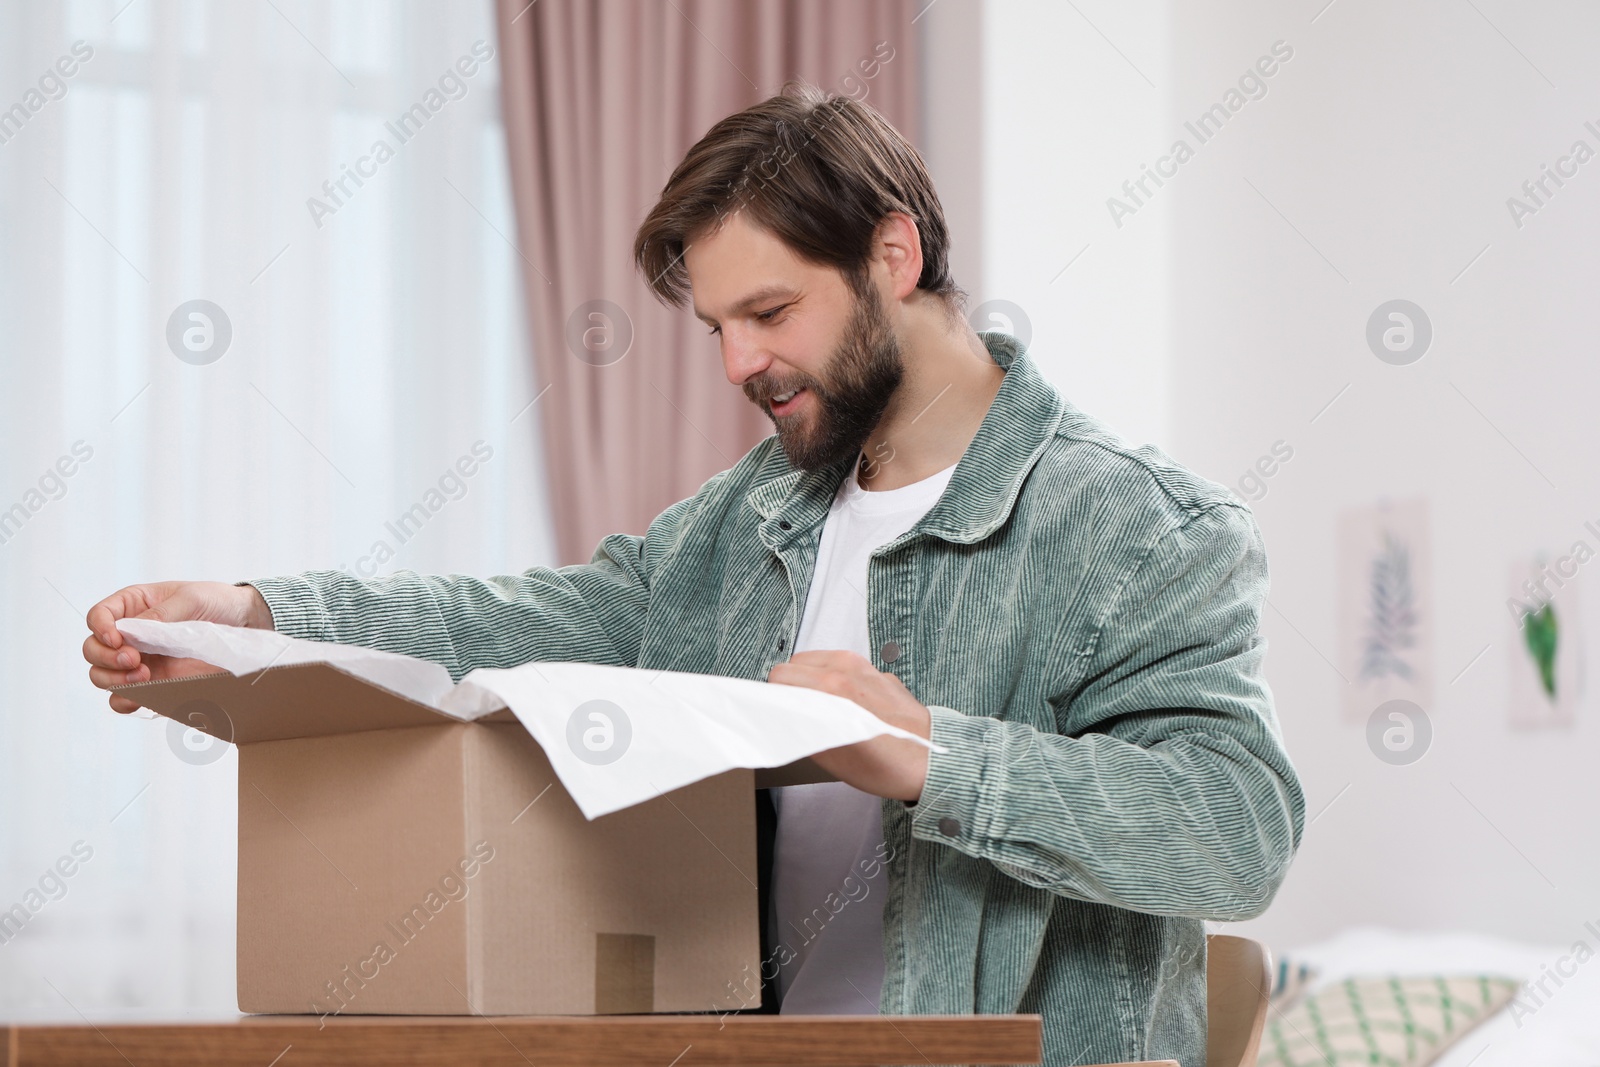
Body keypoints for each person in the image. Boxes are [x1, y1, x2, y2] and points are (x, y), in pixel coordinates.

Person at [83, 82, 1303, 1067]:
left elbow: (1235, 828)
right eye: (716, 325)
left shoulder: (1138, 524)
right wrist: (257, 616)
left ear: (893, 251)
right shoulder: (748, 513)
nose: (737, 363)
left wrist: (930, 756)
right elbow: (526, 618)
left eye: (769, 310)